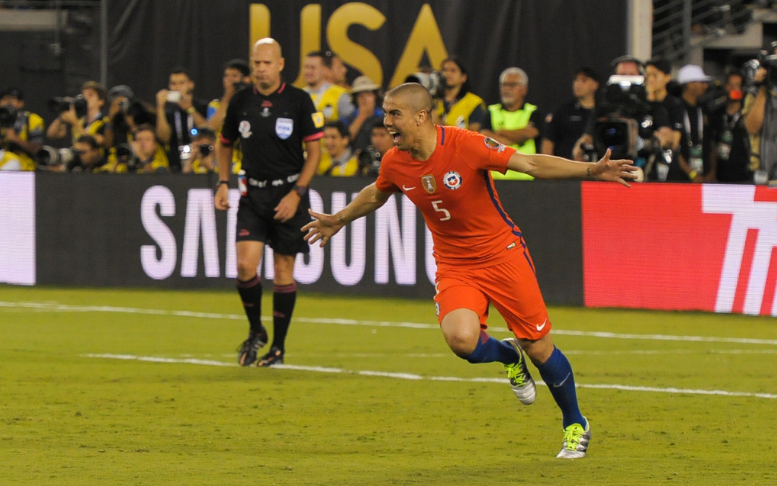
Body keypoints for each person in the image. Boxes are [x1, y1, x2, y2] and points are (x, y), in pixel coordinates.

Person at [302, 83, 636, 458]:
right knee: (462, 341)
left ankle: (575, 422)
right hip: (455, 264)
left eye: (395, 114)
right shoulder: (395, 161)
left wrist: (591, 169)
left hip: (501, 255)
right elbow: (378, 192)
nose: (387, 122)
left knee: (539, 347)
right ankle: (508, 357)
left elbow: (530, 164)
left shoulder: (466, 144)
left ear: (421, 116)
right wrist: (339, 219)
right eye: (385, 113)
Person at [214, 37, 323, 367]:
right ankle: (256, 330)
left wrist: (296, 193)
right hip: (253, 195)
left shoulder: (298, 100)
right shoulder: (241, 101)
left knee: (282, 269)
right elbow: (224, 143)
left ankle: (278, 347)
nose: (261, 68)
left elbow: (314, 152)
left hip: (288, 193)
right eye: (256, 63)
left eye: (266, 63)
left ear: (280, 64)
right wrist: (222, 182)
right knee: (245, 266)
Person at [480, 67, 541, 180]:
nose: (506, 89)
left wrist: (501, 132)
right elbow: (484, 138)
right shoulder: (491, 111)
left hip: (526, 179)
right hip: (496, 178)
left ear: (524, 89)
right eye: (504, 85)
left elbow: (529, 133)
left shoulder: (533, 112)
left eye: (512, 85)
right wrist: (518, 138)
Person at [155, 67, 209, 172]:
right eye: (173, 84)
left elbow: (207, 130)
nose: (177, 87)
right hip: (175, 165)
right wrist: (160, 108)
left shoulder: (202, 106)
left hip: (200, 164)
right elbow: (164, 137)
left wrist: (190, 109)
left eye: (181, 83)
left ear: (191, 84)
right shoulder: (168, 111)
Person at [542, 68, 599, 161]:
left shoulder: (602, 112)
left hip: (596, 166)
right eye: (576, 80)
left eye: (584, 80)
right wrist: (548, 166)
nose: (578, 84)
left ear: (595, 85)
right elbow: (548, 142)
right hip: (566, 167)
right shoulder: (562, 111)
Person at [674, 64, 714, 182]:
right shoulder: (675, 109)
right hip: (680, 178)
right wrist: (691, 173)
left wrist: (712, 172)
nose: (705, 86)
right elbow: (673, 148)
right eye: (702, 82)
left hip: (705, 176)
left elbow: (712, 143)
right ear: (690, 84)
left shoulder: (704, 109)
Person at [711, 70, 751, 183]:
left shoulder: (748, 114)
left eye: (737, 85)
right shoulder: (717, 114)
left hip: (744, 175)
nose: (733, 89)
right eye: (730, 85)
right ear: (725, 87)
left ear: (742, 89)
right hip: (720, 174)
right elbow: (712, 145)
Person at [46, 80, 109, 147]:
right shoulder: (79, 120)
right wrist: (62, 117)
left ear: (101, 101)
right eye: (83, 95)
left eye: (90, 95)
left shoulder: (105, 122)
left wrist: (74, 122)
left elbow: (92, 143)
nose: (86, 98)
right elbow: (51, 135)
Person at [433, 57, 486, 131]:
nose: (448, 74)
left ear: (463, 77)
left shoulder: (474, 103)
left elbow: (474, 134)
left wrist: (440, 124)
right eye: (445, 70)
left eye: (453, 70)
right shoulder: (434, 101)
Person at [303, 50, 355, 122]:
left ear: (324, 70)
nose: (308, 71)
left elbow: (350, 124)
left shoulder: (339, 94)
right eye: (306, 67)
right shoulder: (298, 95)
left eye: (313, 67)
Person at [0, 87, 44, 171]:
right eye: (5, 99)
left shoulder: (31, 120)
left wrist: (15, 139)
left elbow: (35, 149)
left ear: (21, 103)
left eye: (13, 99)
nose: (9, 102)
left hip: (26, 168)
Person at [343, 75, 384, 154]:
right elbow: (345, 141)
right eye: (361, 96)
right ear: (356, 99)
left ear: (375, 96)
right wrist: (361, 116)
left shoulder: (383, 117)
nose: (365, 99)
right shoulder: (348, 119)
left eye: (368, 95)